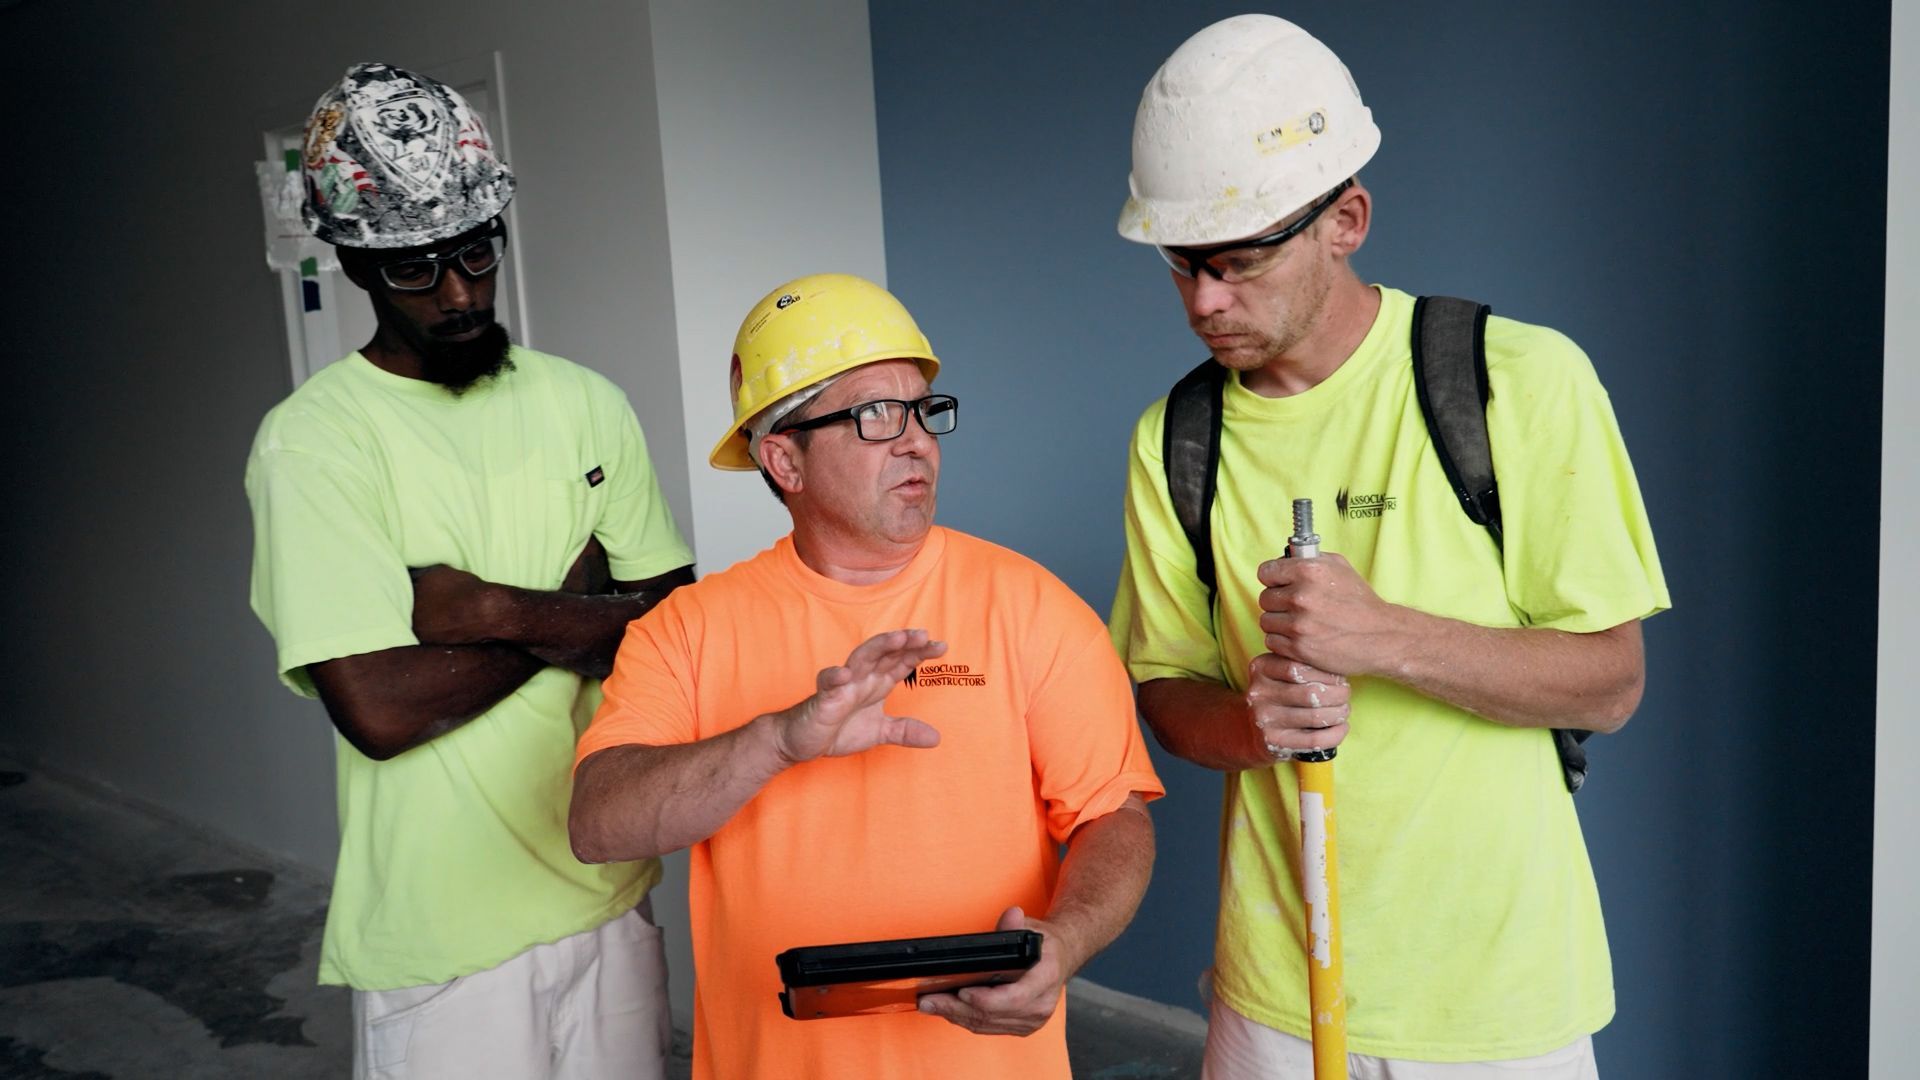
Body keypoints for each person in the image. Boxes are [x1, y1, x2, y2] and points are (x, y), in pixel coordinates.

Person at [1108, 16, 1670, 1079]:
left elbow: (1609, 684)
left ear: (1346, 219)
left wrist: (1386, 637)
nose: (1203, 303)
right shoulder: (1175, 440)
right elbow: (1167, 693)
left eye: (1235, 262)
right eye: (1181, 266)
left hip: (1499, 1002)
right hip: (1276, 989)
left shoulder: (1519, 380)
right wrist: (1252, 721)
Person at [569, 273, 1163, 1079]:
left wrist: (1065, 941)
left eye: (923, 411)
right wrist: (777, 741)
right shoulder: (688, 629)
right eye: (875, 416)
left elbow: (1113, 817)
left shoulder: (1031, 606)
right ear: (783, 458)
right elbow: (599, 822)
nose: (916, 439)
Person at [244, 61, 694, 1079]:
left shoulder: (587, 403)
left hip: (606, 891)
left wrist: (489, 608)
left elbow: (675, 629)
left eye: (474, 252)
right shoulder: (315, 446)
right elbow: (383, 711)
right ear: (356, 262)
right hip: (443, 937)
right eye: (414, 268)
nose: (457, 291)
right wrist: (580, 616)